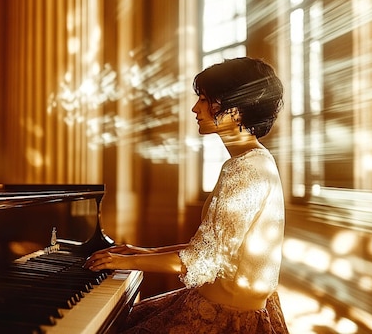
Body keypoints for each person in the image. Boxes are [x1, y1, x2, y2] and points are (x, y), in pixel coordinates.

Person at [84, 57, 289, 333]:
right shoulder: (251, 161)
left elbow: (205, 259)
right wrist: (146, 252)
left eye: (205, 99)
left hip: (229, 317)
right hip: (220, 299)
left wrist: (125, 261)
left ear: (237, 109)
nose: (195, 108)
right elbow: (215, 247)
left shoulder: (246, 170)